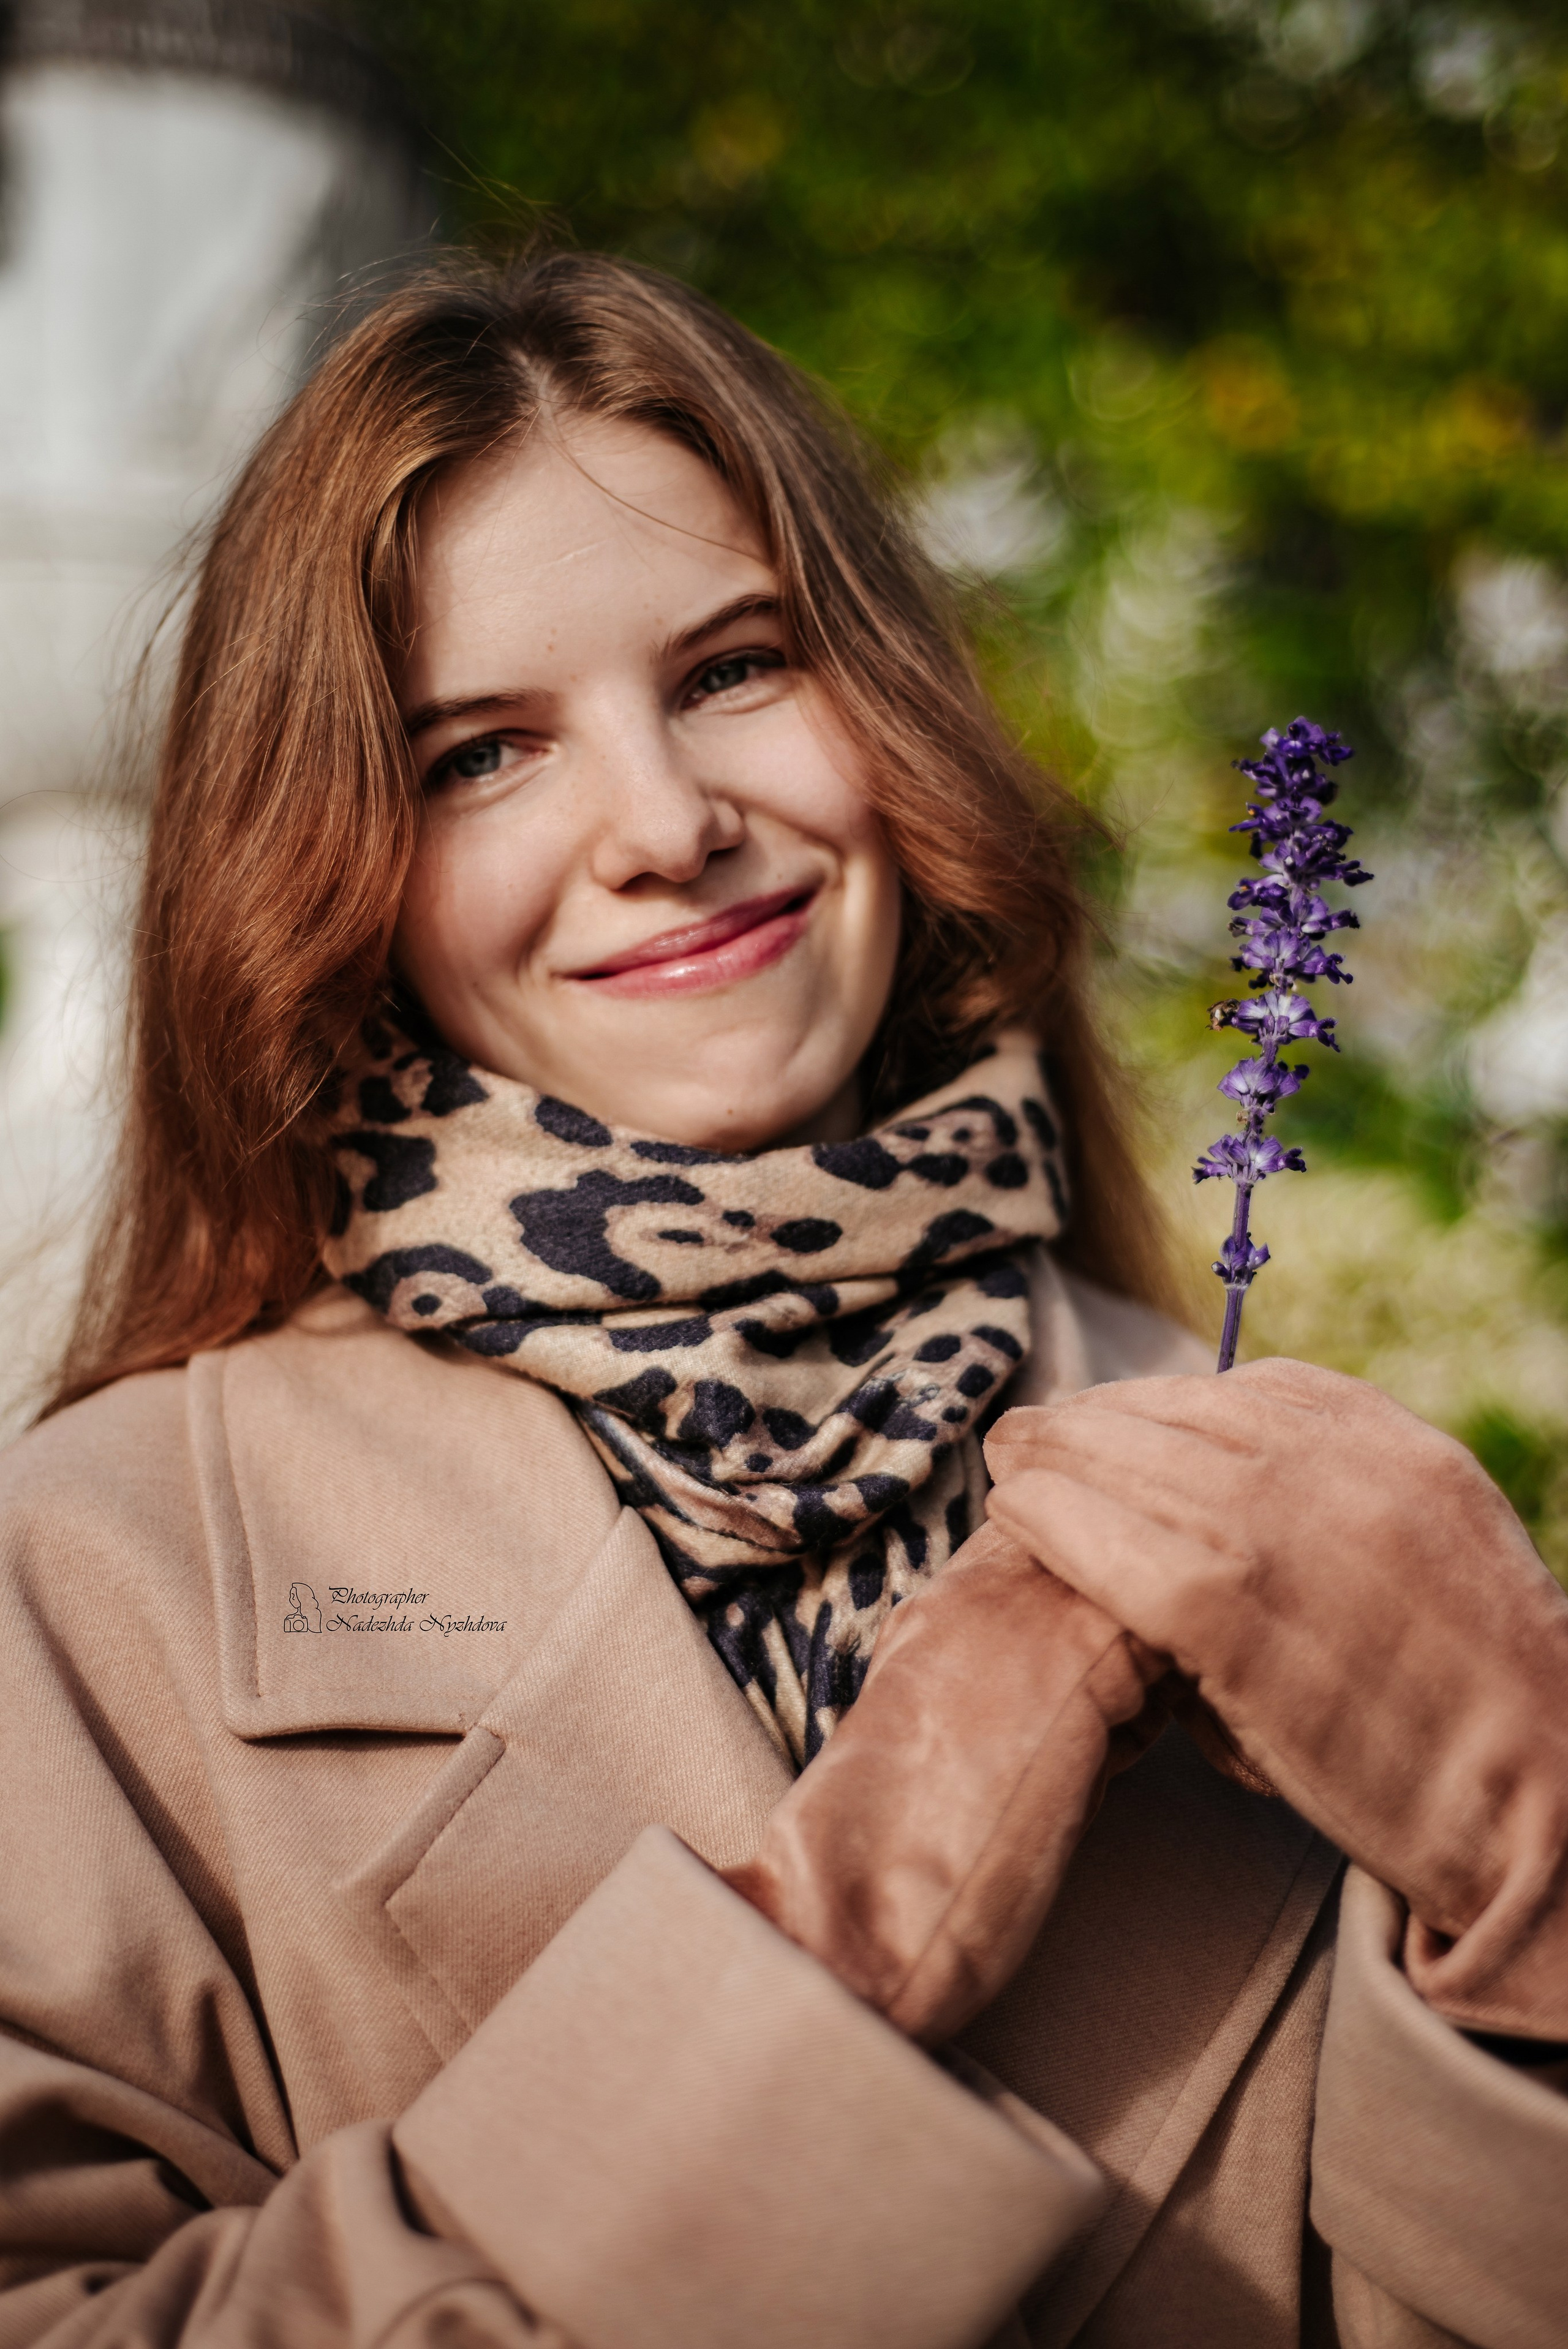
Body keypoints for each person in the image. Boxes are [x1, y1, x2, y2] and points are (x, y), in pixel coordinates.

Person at [1, 251, 1564, 2349]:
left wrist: (1532, 1870)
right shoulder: (106, 1568)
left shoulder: (1275, 1500)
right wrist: (820, 1976)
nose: (665, 823)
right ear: (328, 864)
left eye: (736, 666)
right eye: (481, 753)